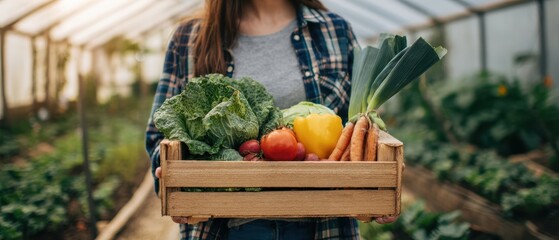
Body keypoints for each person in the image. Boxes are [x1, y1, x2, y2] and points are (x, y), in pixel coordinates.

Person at [146, 0, 398, 239]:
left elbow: (361, 126)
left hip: (324, 225)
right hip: (223, 227)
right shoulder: (189, 38)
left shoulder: (334, 30)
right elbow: (161, 132)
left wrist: (381, 174)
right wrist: (170, 175)